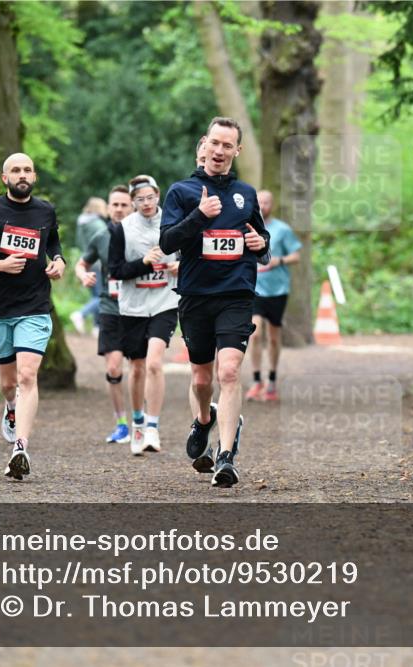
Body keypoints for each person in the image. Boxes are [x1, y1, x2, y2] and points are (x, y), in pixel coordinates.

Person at [160, 117, 270, 488]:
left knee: (229, 372)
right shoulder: (181, 192)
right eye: (216, 144)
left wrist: (262, 246)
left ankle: (226, 456)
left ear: (237, 151)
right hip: (195, 296)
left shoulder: (246, 194)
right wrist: (198, 217)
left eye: (228, 146)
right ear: (204, 145)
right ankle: (204, 420)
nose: (220, 151)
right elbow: (168, 242)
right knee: (202, 377)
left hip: (236, 295)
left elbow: (260, 239)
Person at [0, 152, 65, 480]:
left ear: (34, 176)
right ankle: (11, 407)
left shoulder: (45, 210)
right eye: (15, 170)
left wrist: (59, 260)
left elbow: (54, 241)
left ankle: (20, 447)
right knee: (8, 382)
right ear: (5, 177)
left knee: (27, 376)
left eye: (27, 169)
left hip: (34, 308)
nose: (22, 174)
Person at [109, 175, 180, 456]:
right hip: (133, 306)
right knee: (136, 367)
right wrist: (144, 263)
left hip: (165, 301)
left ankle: (153, 425)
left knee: (153, 363)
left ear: (158, 196)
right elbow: (115, 270)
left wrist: (179, 267)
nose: (147, 203)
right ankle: (137, 421)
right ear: (133, 202)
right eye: (140, 199)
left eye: (151, 197)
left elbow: (189, 254)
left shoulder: (174, 223)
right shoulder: (122, 229)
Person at [74, 184, 133, 444]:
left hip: (139, 309)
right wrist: (82, 274)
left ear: (132, 207)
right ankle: (122, 423)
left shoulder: (143, 235)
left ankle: (142, 421)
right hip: (110, 307)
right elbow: (82, 262)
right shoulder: (100, 236)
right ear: (108, 209)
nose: (119, 209)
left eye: (124, 205)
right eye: (115, 205)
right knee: (113, 367)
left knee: (142, 368)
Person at [246, 190, 302, 402]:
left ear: (273, 204)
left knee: (274, 336)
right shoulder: (247, 227)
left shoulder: (282, 229)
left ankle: (272, 380)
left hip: (278, 290)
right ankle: (256, 380)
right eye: (259, 202)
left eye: (267, 202)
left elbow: (296, 255)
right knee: (255, 334)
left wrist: (279, 261)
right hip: (254, 289)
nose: (263, 206)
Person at [70, 197, 108, 335]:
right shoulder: (98, 225)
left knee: (96, 295)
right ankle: (80, 314)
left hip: (85, 261)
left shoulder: (82, 222)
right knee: (101, 296)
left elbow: (80, 243)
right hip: (98, 263)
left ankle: (96, 327)